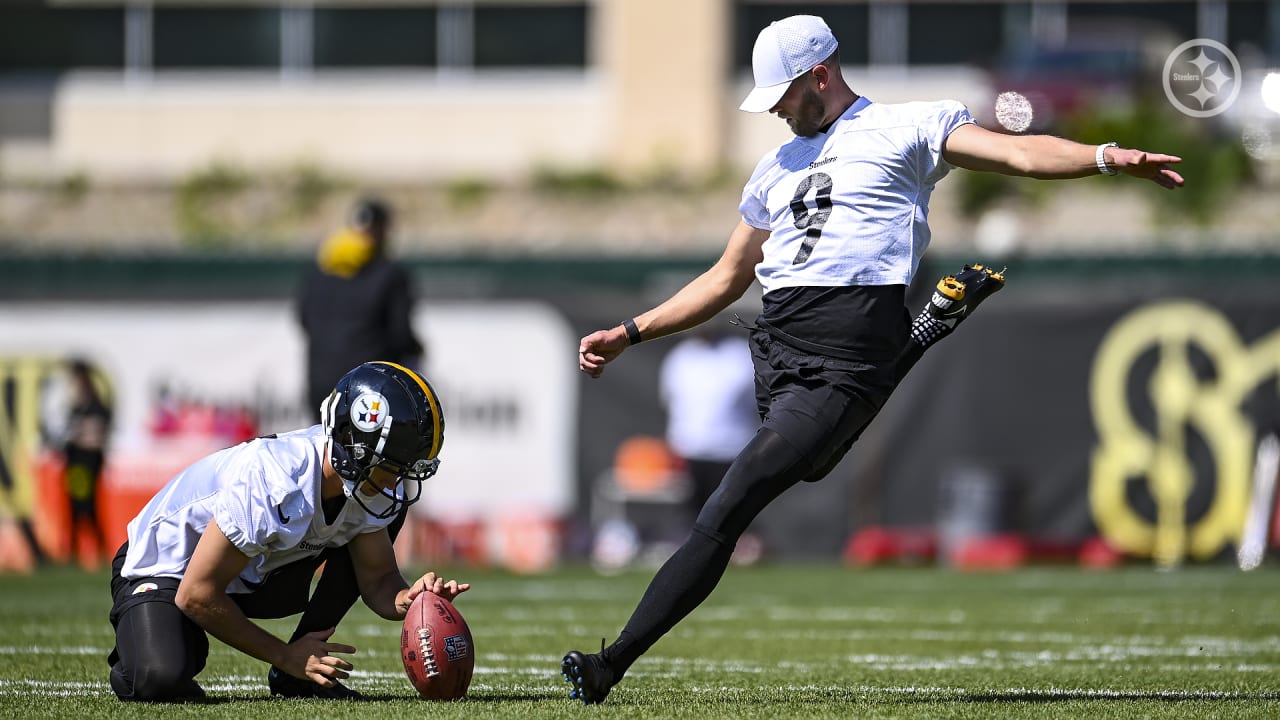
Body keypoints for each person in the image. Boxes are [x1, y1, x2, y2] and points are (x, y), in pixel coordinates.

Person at [561, 14, 1183, 705]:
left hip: (847, 352)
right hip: (782, 350)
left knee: (732, 500)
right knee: (807, 461)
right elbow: (724, 277)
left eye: (782, 94)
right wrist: (631, 330)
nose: (773, 109)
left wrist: (1106, 156)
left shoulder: (910, 126)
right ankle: (924, 332)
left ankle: (609, 664)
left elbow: (1020, 153)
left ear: (820, 76)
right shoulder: (775, 167)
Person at [107, 361, 466, 702]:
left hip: (253, 572)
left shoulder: (363, 482)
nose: (398, 480)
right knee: (158, 677)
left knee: (373, 522)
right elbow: (196, 593)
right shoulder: (274, 478)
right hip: (170, 570)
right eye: (392, 467)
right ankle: (150, 636)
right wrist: (285, 655)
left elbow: (377, 579)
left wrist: (411, 599)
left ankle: (299, 679)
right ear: (354, 450)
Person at [297, 197, 425, 415]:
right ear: (383, 231)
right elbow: (400, 334)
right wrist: (416, 351)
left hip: (321, 385)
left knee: (324, 446)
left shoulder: (320, 271)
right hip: (369, 390)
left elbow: (302, 319)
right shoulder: (390, 274)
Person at [658, 322, 760, 556]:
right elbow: (670, 400)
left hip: (732, 448)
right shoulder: (680, 357)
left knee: (731, 508)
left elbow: (753, 399)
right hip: (689, 448)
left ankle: (739, 552)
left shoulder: (738, 354)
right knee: (693, 512)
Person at [61, 358, 111, 567]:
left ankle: (95, 551)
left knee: (87, 507)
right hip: (76, 461)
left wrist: (78, 435)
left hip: (85, 462)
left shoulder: (93, 405)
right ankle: (75, 552)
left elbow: (95, 436)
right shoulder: (78, 405)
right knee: (75, 508)